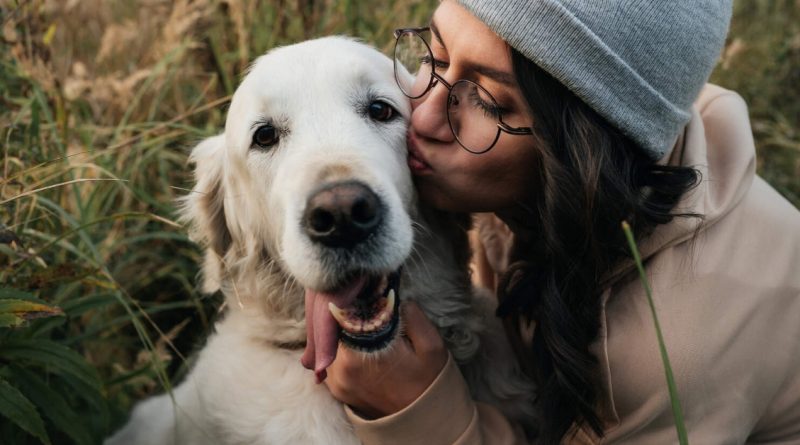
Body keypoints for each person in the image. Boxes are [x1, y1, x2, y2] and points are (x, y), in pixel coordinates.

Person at [323, 0, 800, 443]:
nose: (423, 117)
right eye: (438, 56)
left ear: (581, 154)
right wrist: (343, 260)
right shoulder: (516, 173)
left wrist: (418, 411)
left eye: (487, 101)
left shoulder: (669, 352)